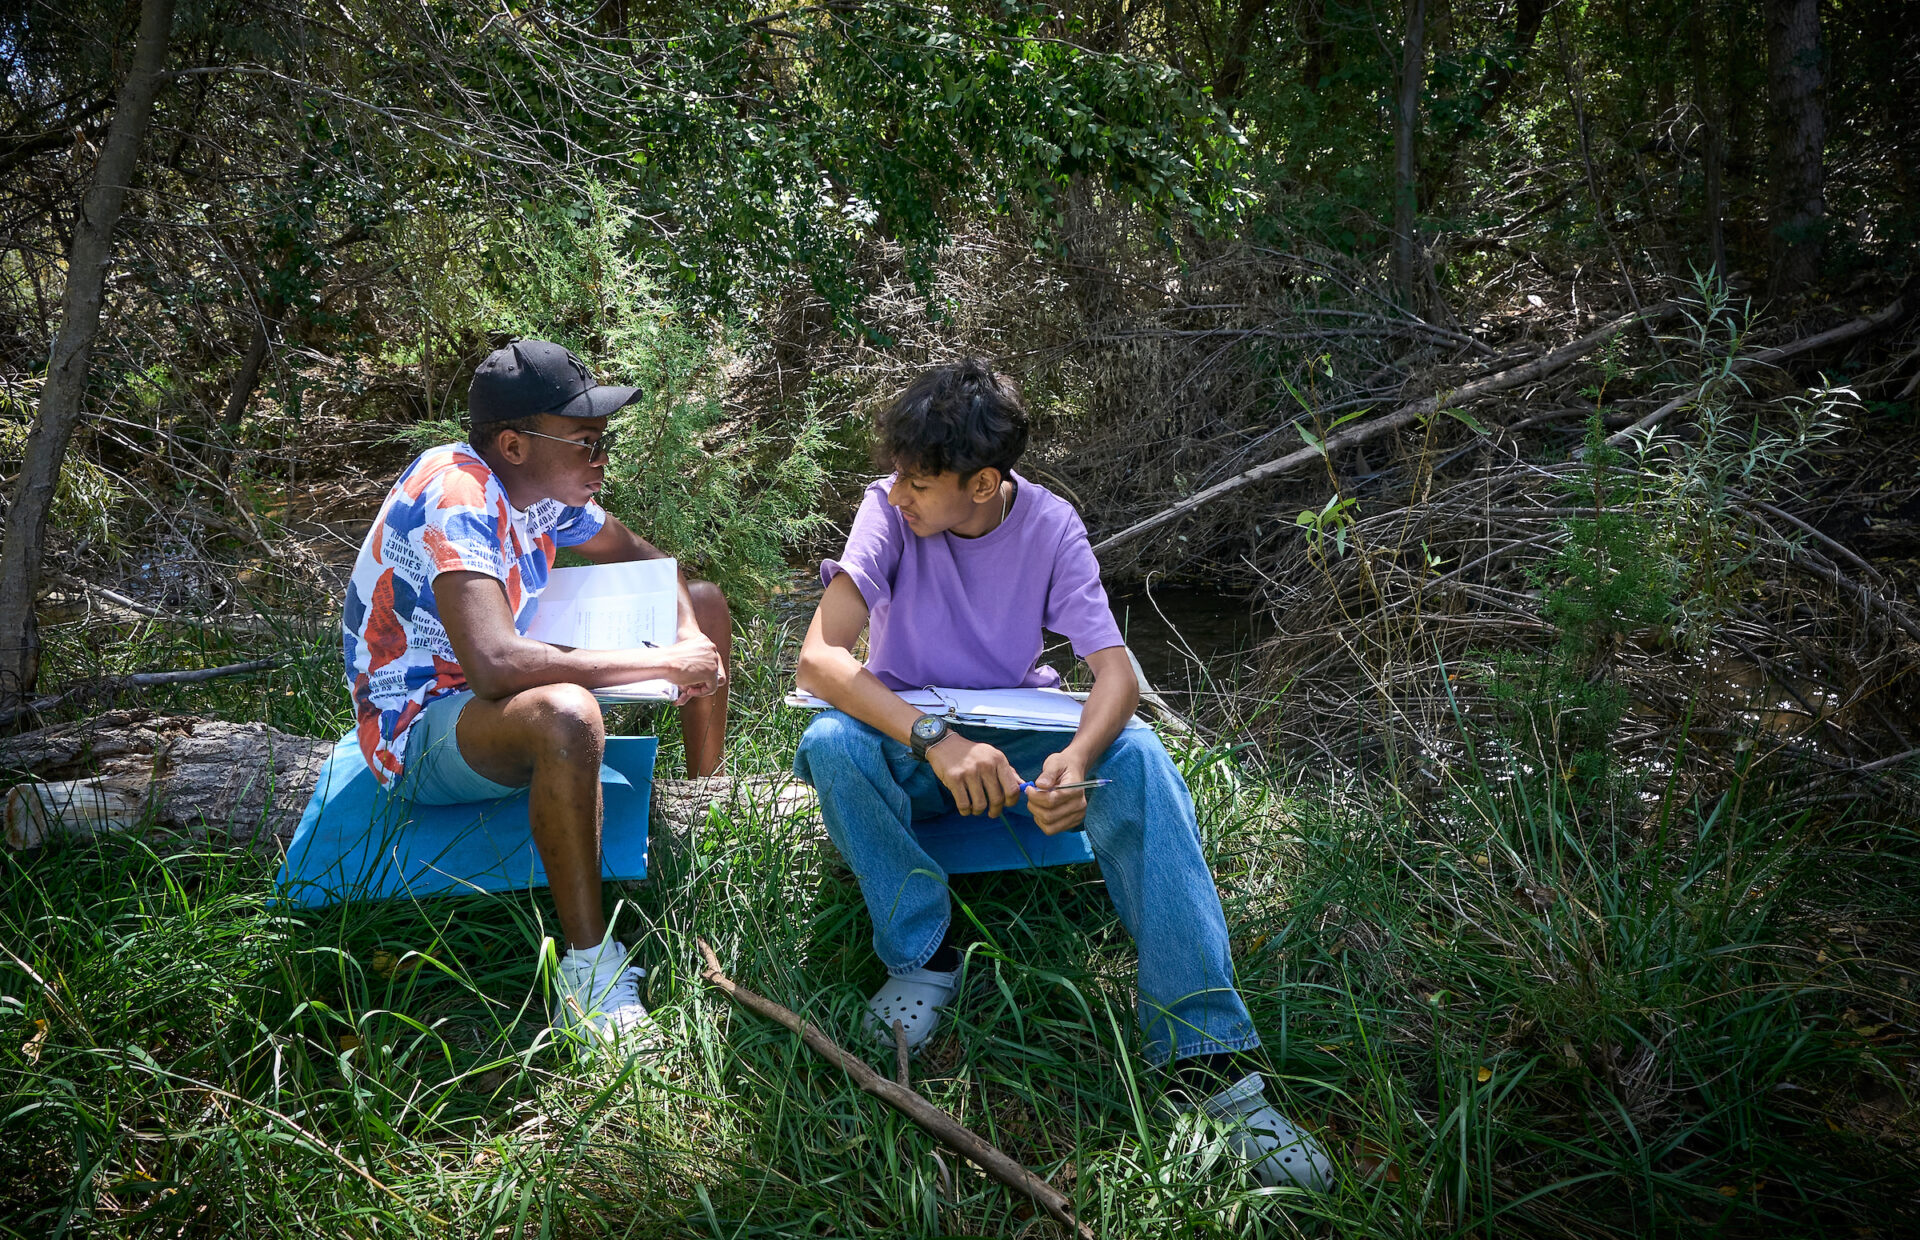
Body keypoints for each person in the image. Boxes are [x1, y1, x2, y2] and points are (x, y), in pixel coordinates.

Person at [791, 359, 1332, 1191]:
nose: (900, 493)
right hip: (917, 745)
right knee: (831, 743)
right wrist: (937, 740)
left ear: (982, 483)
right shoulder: (884, 512)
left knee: (1142, 758)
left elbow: (1115, 674)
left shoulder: (1049, 525)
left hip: (1017, 749)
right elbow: (820, 662)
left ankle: (1207, 1057)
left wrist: (1075, 764)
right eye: (897, 475)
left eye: (919, 482)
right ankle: (924, 952)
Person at [341, 336, 730, 1053]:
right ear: (515, 444)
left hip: (485, 687)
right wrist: (661, 666)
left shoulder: (538, 494)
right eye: (585, 442)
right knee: (566, 714)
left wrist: (685, 629)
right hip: (421, 719)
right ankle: (588, 973)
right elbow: (492, 665)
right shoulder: (458, 493)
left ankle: (706, 803)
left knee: (703, 600)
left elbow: (649, 559)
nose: (601, 459)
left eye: (603, 440)